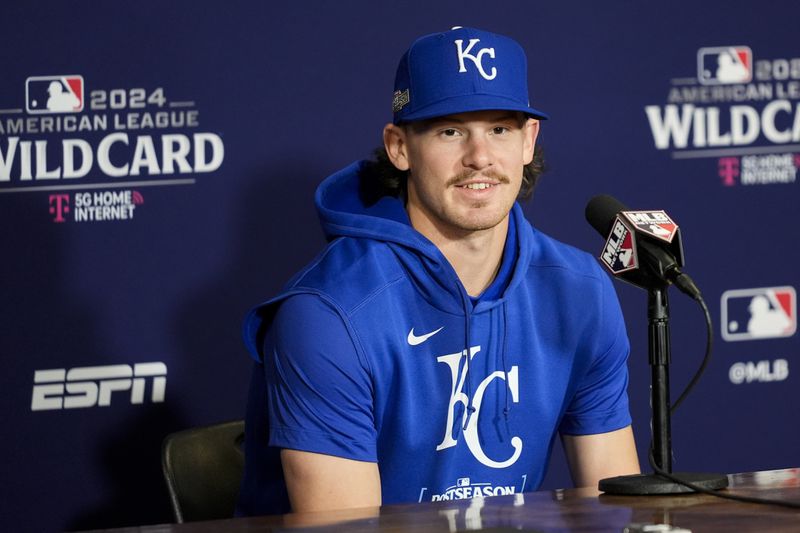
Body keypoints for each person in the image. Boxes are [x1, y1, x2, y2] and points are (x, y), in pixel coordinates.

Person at [237, 26, 640, 516]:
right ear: (399, 147)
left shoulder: (580, 291)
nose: (480, 158)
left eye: (500, 129)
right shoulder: (329, 315)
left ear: (529, 140)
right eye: (450, 131)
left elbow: (614, 506)